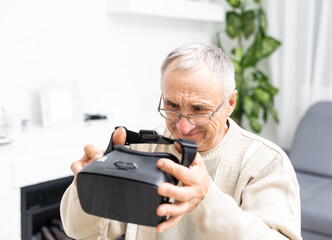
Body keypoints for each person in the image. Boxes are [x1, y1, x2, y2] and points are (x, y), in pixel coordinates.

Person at [60, 43, 302, 240]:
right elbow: (83, 232)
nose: (183, 126)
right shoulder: (145, 149)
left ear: (230, 104)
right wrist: (88, 187)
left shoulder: (266, 163)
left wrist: (206, 199)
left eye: (199, 110)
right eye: (172, 106)